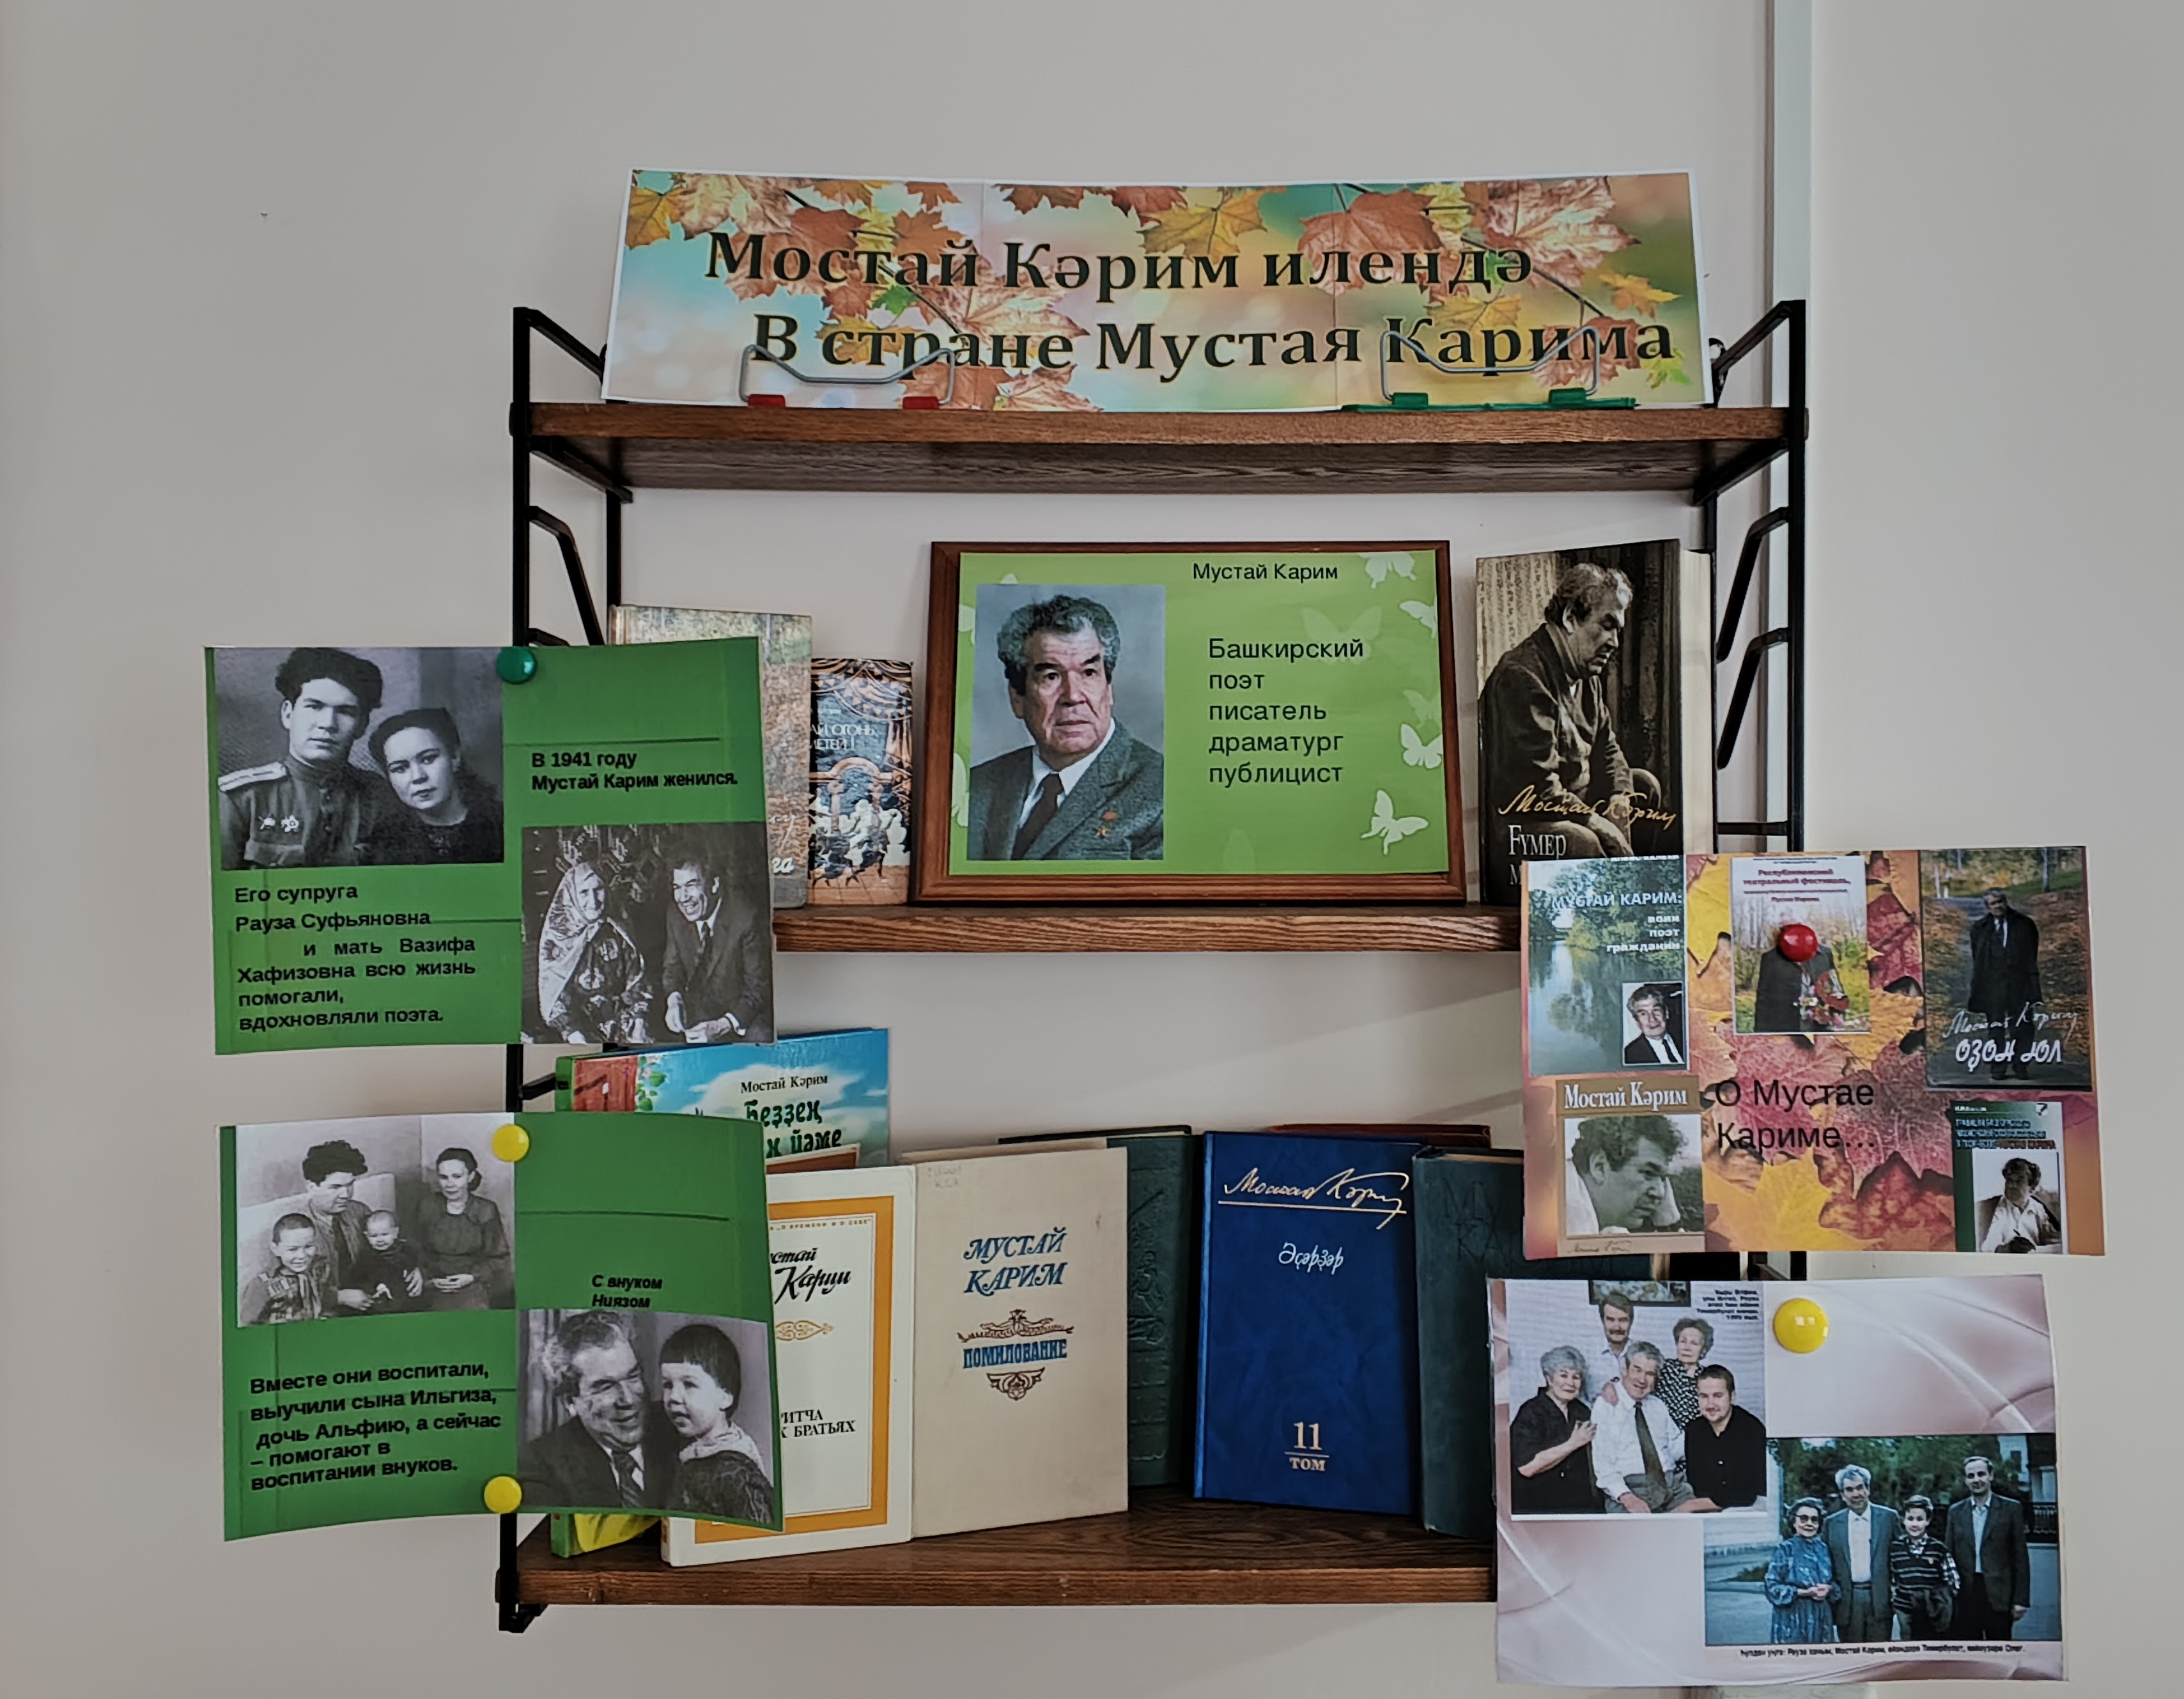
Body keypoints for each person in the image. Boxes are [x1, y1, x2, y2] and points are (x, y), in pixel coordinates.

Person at [1478, 559, 1664, 867]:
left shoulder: (1587, 676)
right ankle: (1616, 892)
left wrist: (1619, 797)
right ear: (1570, 618)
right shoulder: (1522, 676)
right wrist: (1598, 823)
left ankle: (1631, 882)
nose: (1615, 643)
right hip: (1527, 819)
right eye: (1607, 626)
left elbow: (1609, 750)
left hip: (1571, 802)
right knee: (1583, 840)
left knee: (1642, 787)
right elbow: (1536, 789)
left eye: (1618, 631)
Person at [965, 594, 1163, 861]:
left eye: (1089, 673)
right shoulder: (975, 788)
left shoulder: (1162, 792)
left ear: (1108, 690)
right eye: (1051, 676)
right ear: (1018, 699)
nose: (1073, 696)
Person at [218, 646, 392, 870]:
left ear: (362, 726)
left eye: (345, 712)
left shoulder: (379, 797)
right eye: (314, 707)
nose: (328, 724)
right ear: (288, 714)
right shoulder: (242, 798)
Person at [517, 1312, 681, 1512]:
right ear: (570, 1401)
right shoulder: (541, 1466)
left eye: (633, 1376)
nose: (628, 1400)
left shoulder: (680, 1427)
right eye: (606, 1386)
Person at [659, 1323, 777, 1524]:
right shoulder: (689, 1454)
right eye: (668, 1385)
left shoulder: (737, 1474)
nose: (674, 1397)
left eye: (689, 1384)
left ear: (725, 1397)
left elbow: (758, 1531)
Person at [362, 707, 503, 865]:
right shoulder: (380, 845)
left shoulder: (501, 824)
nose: (418, 777)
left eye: (428, 759)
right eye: (400, 769)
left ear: (455, 757)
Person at [534, 858, 652, 1044]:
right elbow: (555, 996)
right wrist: (574, 1033)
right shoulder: (559, 937)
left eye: (599, 890)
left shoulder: (617, 930)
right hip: (576, 1030)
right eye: (584, 892)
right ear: (572, 895)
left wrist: (639, 1020)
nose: (594, 901)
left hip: (620, 1021)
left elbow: (636, 979)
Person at [661, 842, 767, 1045]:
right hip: (699, 1009)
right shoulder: (675, 914)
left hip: (742, 1013)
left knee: (761, 1035)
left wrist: (722, 1025)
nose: (683, 898)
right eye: (677, 887)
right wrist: (674, 1000)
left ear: (714, 884)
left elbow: (758, 989)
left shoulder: (746, 918)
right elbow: (672, 968)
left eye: (691, 886)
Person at [297, 1137, 418, 1314]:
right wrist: (338, 1297)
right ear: (311, 1187)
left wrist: (414, 1269)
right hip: (327, 1313)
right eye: (335, 1187)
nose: (345, 1195)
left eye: (350, 1185)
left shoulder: (359, 1211)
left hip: (372, 1302)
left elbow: (389, 1247)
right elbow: (293, 1287)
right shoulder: (298, 1229)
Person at [1589, 1343, 1692, 1512]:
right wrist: (1625, 1496)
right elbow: (1603, 1464)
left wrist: (1705, 1430)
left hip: (1671, 1486)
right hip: (1631, 1489)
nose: (1642, 1380)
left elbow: (1674, 1448)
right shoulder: (1606, 1405)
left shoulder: (1657, 1405)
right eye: (1637, 1370)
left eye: (1650, 1374)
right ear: (1625, 1370)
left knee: (1700, 1520)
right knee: (1636, 1528)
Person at [413, 1146, 509, 1310]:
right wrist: (423, 1275)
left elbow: (499, 1258)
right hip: (434, 1281)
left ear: (470, 1177)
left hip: (471, 1283)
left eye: (457, 1177)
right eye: (444, 1177)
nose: (450, 1184)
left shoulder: (486, 1210)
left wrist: (471, 1277)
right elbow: (417, 1248)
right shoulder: (427, 1206)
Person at [1946, 1454, 2031, 1639]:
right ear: (1966, 1480)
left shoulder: (2011, 1509)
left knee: (1999, 1650)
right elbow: (1949, 1557)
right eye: (1971, 1476)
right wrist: (1948, 1597)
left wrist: (2021, 1600)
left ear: (1990, 1476)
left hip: (1999, 1595)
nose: (1976, 1480)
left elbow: (2020, 1558)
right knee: (1969, 1651)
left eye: (1981, 1474)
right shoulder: (1955, 1512)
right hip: (1966, 1595)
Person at [1508, 1346, 1599, 1513]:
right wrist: (1573, 1444)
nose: (1570, 1383)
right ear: (1549, 1379)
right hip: (1539, 1504)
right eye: (1563, 1375)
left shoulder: (1583, 1412)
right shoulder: (1531, 1412)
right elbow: (1527, 1468)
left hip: (1580, 1504)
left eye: (1576, 1377)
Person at [1565, 1115, 1684, 1236]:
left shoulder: (1611, 1227)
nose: (1661, 1193)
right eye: (1649, 1173)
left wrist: (1669, 1222)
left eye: (1663, 1179)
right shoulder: (1567, 1217)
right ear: (1599, 1167)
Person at [1967, 887, 2041, 1080]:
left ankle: (2021, 1066)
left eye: (2000, 901)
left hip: (2020, 984)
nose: (1998, 906)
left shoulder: (2025, 924)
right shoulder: (1980, 929)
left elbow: (2031, 955)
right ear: (1988, 907)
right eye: (1993, 903)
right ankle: (1998, 1068)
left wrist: (2031, 982)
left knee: (2023, 1026)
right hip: (1993, 986)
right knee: (1996, 1028)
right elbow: (1978, 959)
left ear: (2006, 902)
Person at [1824, 1464, 1903, 1641]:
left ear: (1868, 1489)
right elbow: (1826, 1564)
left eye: (1860, 1487)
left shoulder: (1889, 1518)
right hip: (1847, 1600)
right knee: (1851, 1653)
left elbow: (1900, 1557)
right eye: (1850, 1490)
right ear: (1843, 1495)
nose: (1856, 1494)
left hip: (1880, 1598)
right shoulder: (1832, 1524)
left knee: (1880, 1653)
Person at [1678, 1364, 1766, 1512]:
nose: (1710, 1404)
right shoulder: (1693, 1430)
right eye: (1704, 1396)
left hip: (1747, 1509)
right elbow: (1698, 1483)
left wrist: (1693, 1506)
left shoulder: (1752, 1430)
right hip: (1706, 1507)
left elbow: (1747, 1493)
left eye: (1718, 1396)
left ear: (1732, 1397)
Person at [1765, 1499, 1841, 1643]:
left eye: (1814, 1520)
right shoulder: (1785, 1549)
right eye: (1804, 1518)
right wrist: (1803, 1592)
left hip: (1821, 1618)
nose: (1809, 1524)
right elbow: (1772, 1587)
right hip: (1792, 1618)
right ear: (1794, 1521)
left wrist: (1829, 1589)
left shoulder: (1824, 1549)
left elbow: (1835, 1582)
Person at [239, 1214, 336, 1326]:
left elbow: (327, 1303)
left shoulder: (320, 1270)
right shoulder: (263, 1284)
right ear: (276, 1249)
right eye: (292, 1249)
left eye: (308, 1247)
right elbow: (248, 1323)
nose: (302, 1256)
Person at [1889, 1494, 1962, 1641]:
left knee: (1932, 1646)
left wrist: (1940, 1602)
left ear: (1928, 1521)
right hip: (1905, 1610)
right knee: (1907, 1646)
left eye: (1920, 1519)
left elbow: (1954, 1581)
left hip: (1933, 1612)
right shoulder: (1896, 1549)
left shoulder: (1938, 1549)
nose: (1915, 1524)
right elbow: (1893, 1579)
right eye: (1910, 1519)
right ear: (1904, 1520)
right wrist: (1897, 1599)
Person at [1753, 929, 1849, 1033]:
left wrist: (1836, 1015)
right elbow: (1764, 999)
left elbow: (1836, 989)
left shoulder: (1824, 955)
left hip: (1819, 1027)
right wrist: (1761, 1034)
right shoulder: (1771, 959)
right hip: (1784, 1027)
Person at [1978, 1156, 2061, 1253]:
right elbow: (1988, 1245)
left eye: (2019, 1181)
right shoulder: (1995, 1208)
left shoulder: (2039, 1209)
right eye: (2009, 1180)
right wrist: (2006, 1249)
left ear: (2032, 1188)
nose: (2012, 1186)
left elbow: (2054, 1242)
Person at [350, 1209, 421, 1313]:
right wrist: (375, 1287)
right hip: (378, 1304)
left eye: (384, 1234)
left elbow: (419, 1264)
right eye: (374, 1236)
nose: (380, 1240)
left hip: (407, 1302)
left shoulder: (408, 1250)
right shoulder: (366, 1257)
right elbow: (358, 1279)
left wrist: (417, 1270)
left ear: (395, 1233)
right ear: (366, 1236)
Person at [1653, 1315, 1711, 1425]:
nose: (1687, 1348)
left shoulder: (1707, 1377)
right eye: (1683, 1341)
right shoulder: (1663, 1368)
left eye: (1694, 1343)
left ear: (1703, 1350)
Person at [1586, 1291, 1636, 1401]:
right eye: (1611, 1320)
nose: (1617, 1327)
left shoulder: (1641, 1355)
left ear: (1631, 1322)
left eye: (1623, 1320)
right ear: (1602, 1321)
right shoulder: (1587, 1355)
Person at [1623, 985, 1684, 1066]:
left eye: (1656, 1010)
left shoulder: (1685, 1037)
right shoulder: (1631, 1054)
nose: (1652, 1019)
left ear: (1666, 1013)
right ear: (1637, 1021)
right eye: (1643, 1014)